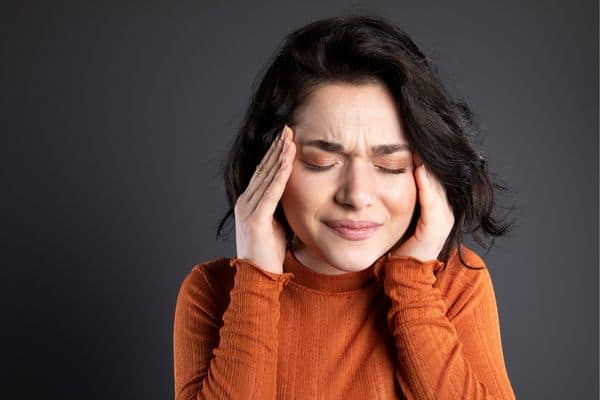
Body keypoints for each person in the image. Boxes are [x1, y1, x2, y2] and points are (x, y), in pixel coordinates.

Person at [173, 14, 516, 400]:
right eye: (322, 162)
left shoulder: (456, 283)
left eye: (391, 165)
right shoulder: (213, 292)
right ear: (267, 164)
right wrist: (256, 280)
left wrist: (411, 285)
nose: (356, 195)